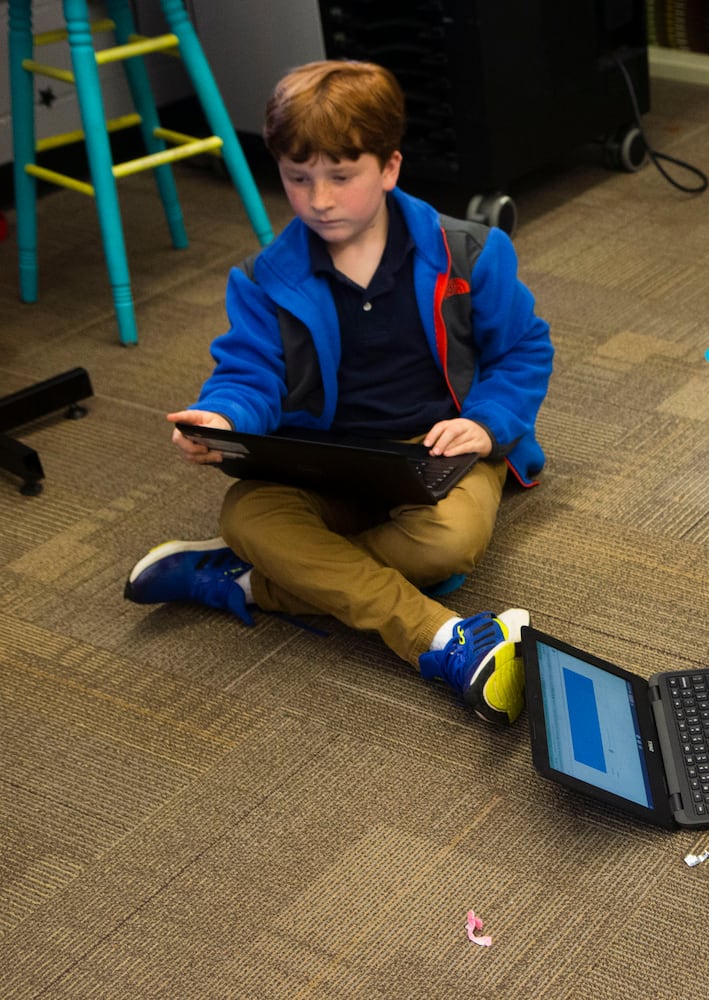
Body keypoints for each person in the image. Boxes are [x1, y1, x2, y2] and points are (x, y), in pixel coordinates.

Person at [123, 60, 553, 725]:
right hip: (323, 456)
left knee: (448, 545)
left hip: (438, 447)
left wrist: (489, 423)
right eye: (298, 179)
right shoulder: (267, 276)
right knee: (246, 518)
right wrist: (222, 415)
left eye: (341, 177)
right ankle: (445, 640)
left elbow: (523, 350)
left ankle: (253, 583)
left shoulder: (470, 252)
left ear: (389, 168)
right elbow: (250, 372)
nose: (319, 199)